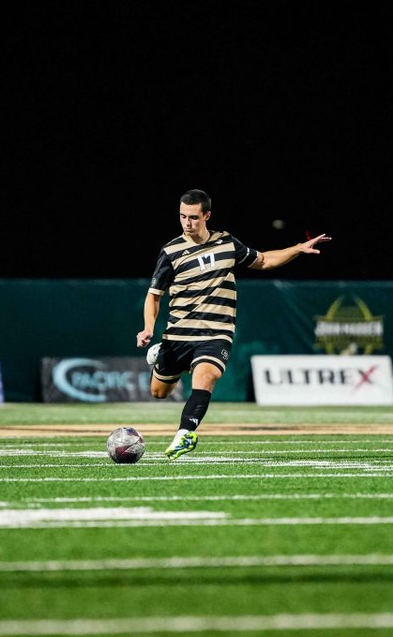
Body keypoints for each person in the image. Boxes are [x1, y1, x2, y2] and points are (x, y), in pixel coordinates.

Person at [136, 190, 329, 458]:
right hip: (178, 333)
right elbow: (153, 296)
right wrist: (148, 328)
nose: (187, 222)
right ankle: (162, 357)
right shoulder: (170, 251)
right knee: (159, 392)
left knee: (207, 375)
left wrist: (297, 248)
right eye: (182, 216)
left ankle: (185, 433)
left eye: (193, 217)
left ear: (206, 215)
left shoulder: (227, 244)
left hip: (216, 333)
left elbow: (264, 260)